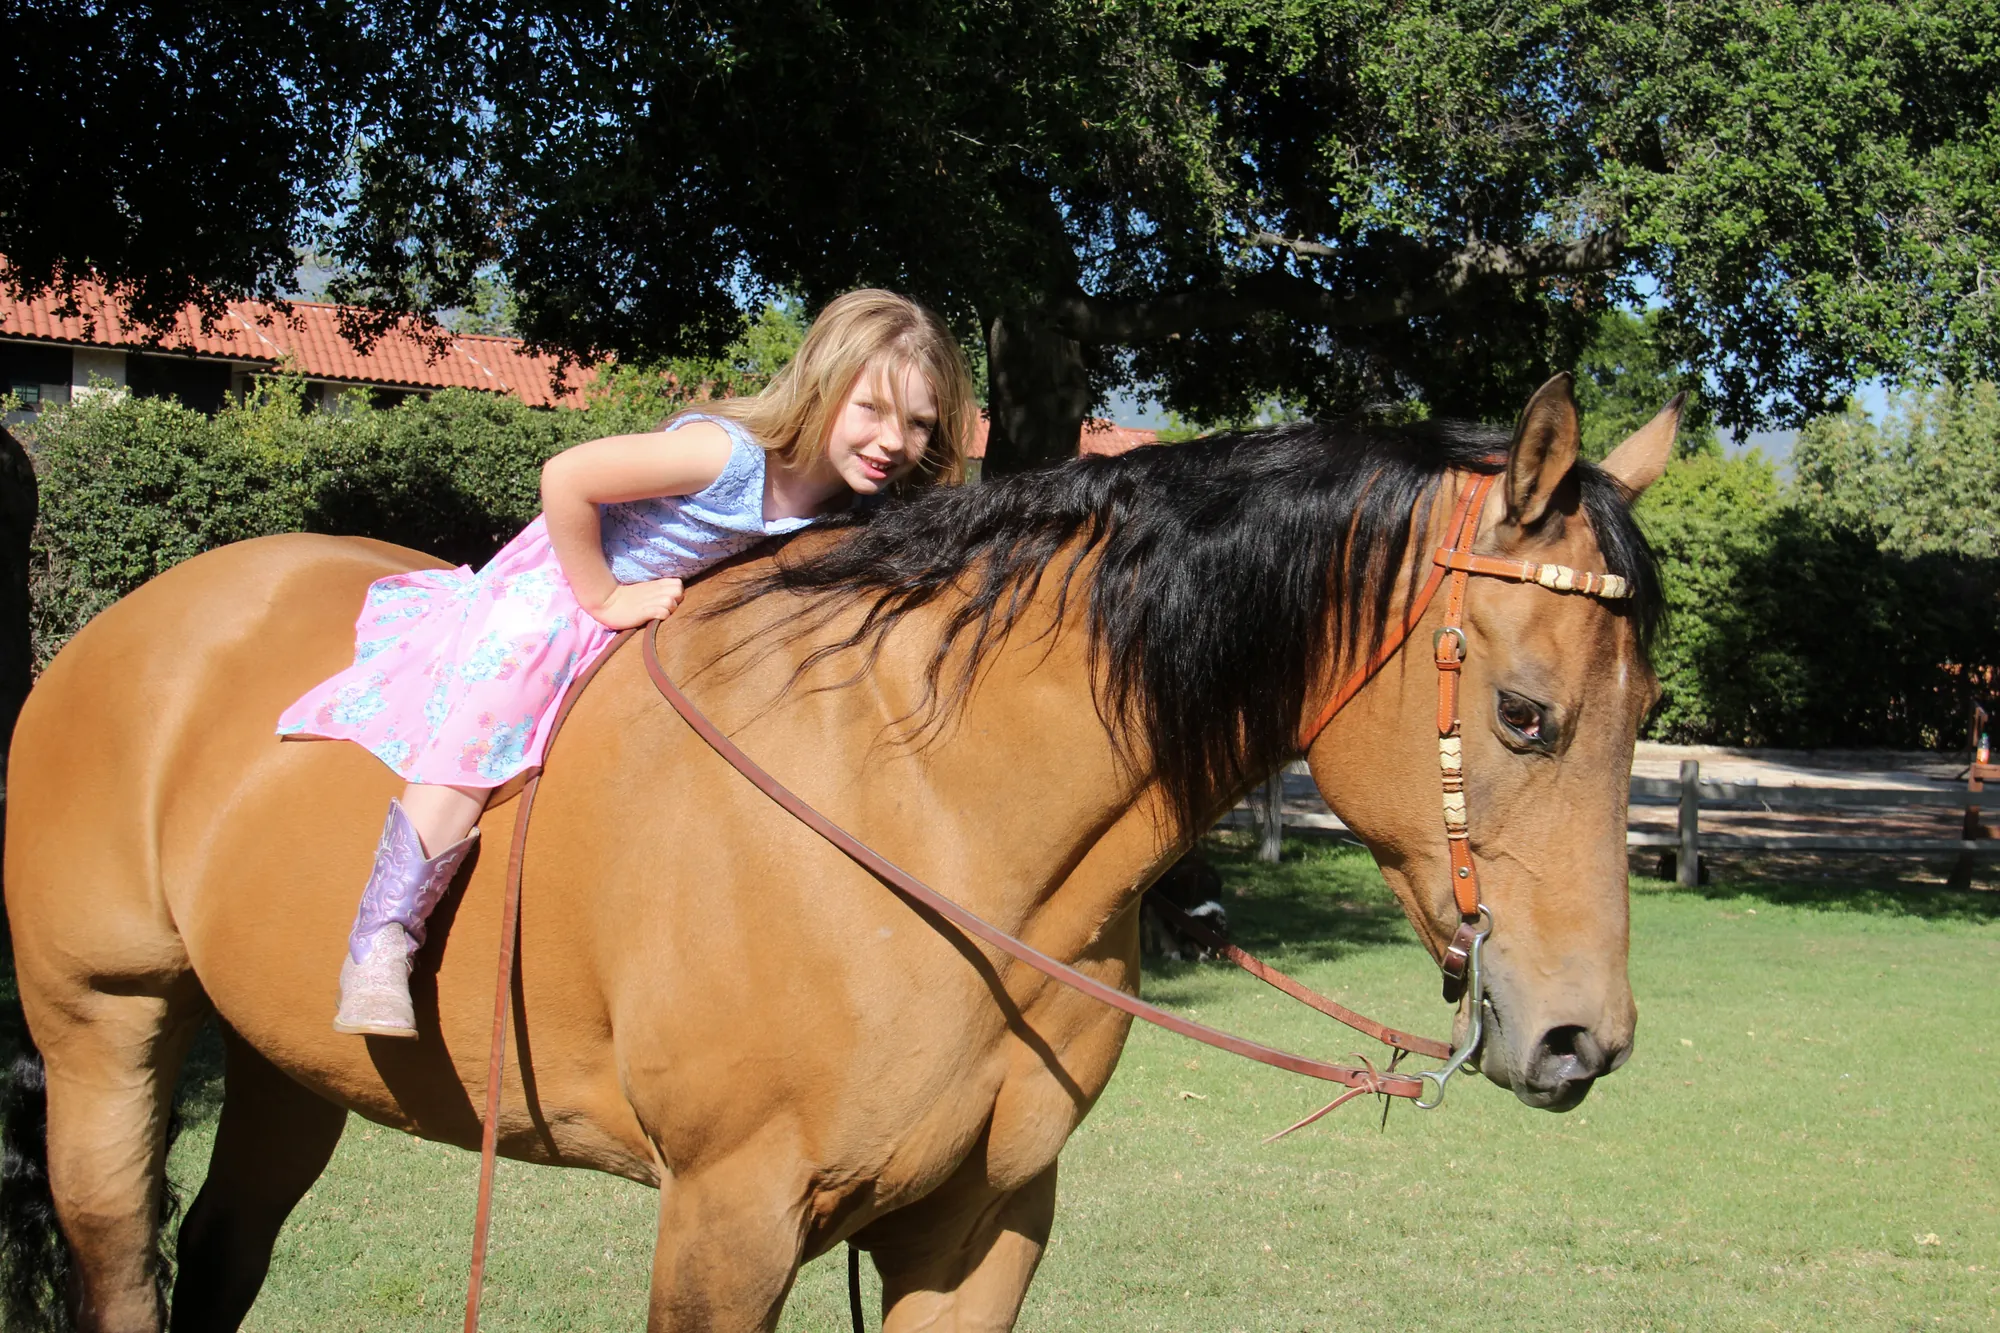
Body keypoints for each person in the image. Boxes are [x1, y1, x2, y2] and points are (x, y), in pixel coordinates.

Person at [277, 290, 975, 1037]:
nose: (892, 440)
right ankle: (382, 939)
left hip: (659, 615)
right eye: (871, 409)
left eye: (918, 423)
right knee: (488, 719)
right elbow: (567, 477)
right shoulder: (727, 456)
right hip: (570, 588)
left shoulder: (852, 506)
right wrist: (604, 595)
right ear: (823, 386)